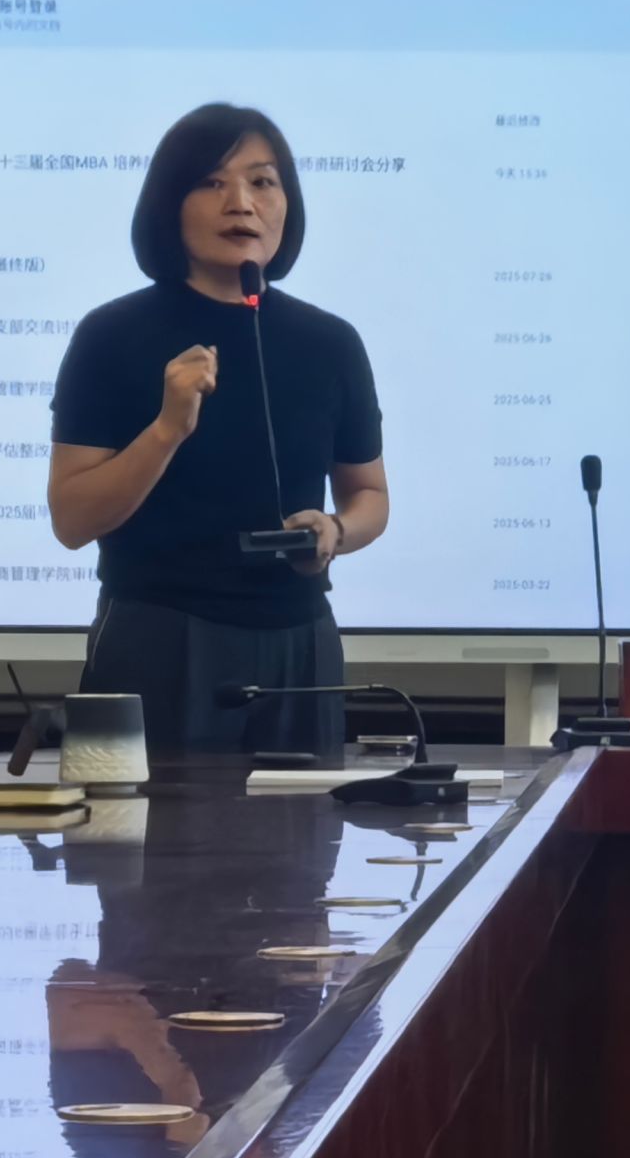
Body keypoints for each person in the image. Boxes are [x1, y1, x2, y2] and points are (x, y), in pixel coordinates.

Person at [48, 103, 388, 754]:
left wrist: (337, 530)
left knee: (304, 822)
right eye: (211, 182)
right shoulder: (112, 335)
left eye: (262, 181)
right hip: (159, 636)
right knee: (150, 824)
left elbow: (369, 494)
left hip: (301, 640)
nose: (241, 203)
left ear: (287, 204)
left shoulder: (330, 342)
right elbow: (72, 519)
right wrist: (166, 429)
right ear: (169, 204)